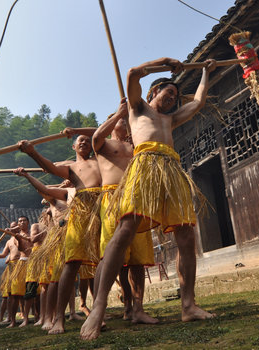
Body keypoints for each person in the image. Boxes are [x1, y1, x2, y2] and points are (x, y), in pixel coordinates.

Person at [81, 57, 216, 340]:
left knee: (186, 235)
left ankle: (188, 305)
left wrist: (205, 71)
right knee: (126, 229)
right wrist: (163, 63)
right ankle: (99, 307)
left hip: (171, 169)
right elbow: (133, 73)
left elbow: (199, 101)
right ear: (154, 92)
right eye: (168, 93)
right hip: (144, 167)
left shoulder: (171, 118)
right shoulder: (137, 108)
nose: (172, 99)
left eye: (175, 97)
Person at [19, 128, 102, 335]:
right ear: (73, 146)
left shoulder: (102, 160)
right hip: (80, 217)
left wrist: (77, 131)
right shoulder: (69, 177)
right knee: (71, 264)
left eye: (88, 140)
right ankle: (57, 318)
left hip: (103, 209)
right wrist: (32, 153)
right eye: (80, 141)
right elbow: (48, 174)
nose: (84, 142)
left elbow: (106, 131)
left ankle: (97, 314)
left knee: (102, 263)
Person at [92, 99, 157, 324]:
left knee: (137, 259)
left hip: (136, 199)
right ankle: (98, 310)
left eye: (127, 121)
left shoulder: (136, 145)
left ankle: (137, 308)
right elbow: (96, 138)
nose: (126, 124)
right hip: (112, 198)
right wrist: (118, 113)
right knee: (111, 255)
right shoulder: (104, 144)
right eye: (122, 121)